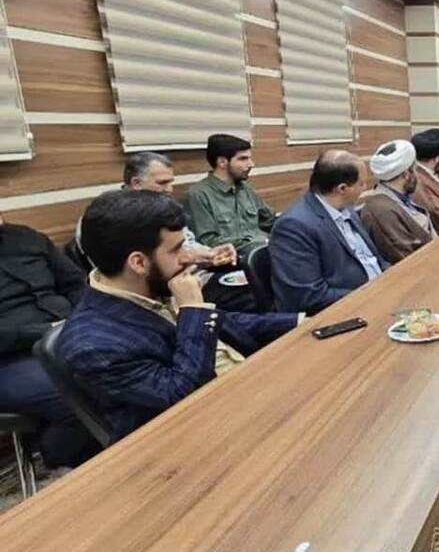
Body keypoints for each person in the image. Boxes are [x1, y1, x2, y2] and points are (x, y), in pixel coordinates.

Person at [57, 191, 299, 441]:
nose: (187, 257)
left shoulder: (148, 286)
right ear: (139, 263)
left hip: (251, 387)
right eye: (176, 249)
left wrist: (301, 321)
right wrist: (193, 310)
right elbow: (184, 399)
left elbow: (226, 323)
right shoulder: (94, 346)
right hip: (207, 431)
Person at [0, 215, 96, 467]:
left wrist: (82, 316)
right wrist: (44, 330)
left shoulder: (26, 237)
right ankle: (61, 458)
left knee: (128, 364)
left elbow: (75, 283)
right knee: (75, 396)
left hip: (69, 332)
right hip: (10, 358)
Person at [110, 152, 254, 312]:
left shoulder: (163, 206)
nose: (169, 189)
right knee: (248, 297)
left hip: (196, 275)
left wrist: (211, 254)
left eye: (170, 182)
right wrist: (195, 259)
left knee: (255, 280)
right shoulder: (117, 218)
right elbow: (149, 274)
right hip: (170, 291)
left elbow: (187, 243)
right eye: (162, 183)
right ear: (136, 183)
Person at [269, 151, 388, 314]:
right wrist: (370, 295)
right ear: (342, 189)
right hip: (348, 310)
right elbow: (308, 296)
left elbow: (375, 260)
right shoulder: (294, 227)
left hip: (379, 294)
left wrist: (393, 279)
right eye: (361, 183)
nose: (365, 188)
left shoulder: (346, 209)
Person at [185, 134, 276, 257]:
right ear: (222, 162)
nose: (251, 164)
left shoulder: (245, 189)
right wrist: (256, 243)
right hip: (236, 259)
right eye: (243, 159)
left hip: (265, 251)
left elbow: (270, 221)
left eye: (249, 158)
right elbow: (208, 241)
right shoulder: (199, 195)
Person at [361, 140, 436, 264]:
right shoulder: (382, 211)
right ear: (406, 174)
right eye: (415, 170)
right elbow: (408, 259)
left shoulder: (401, 196)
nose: (417, 175)